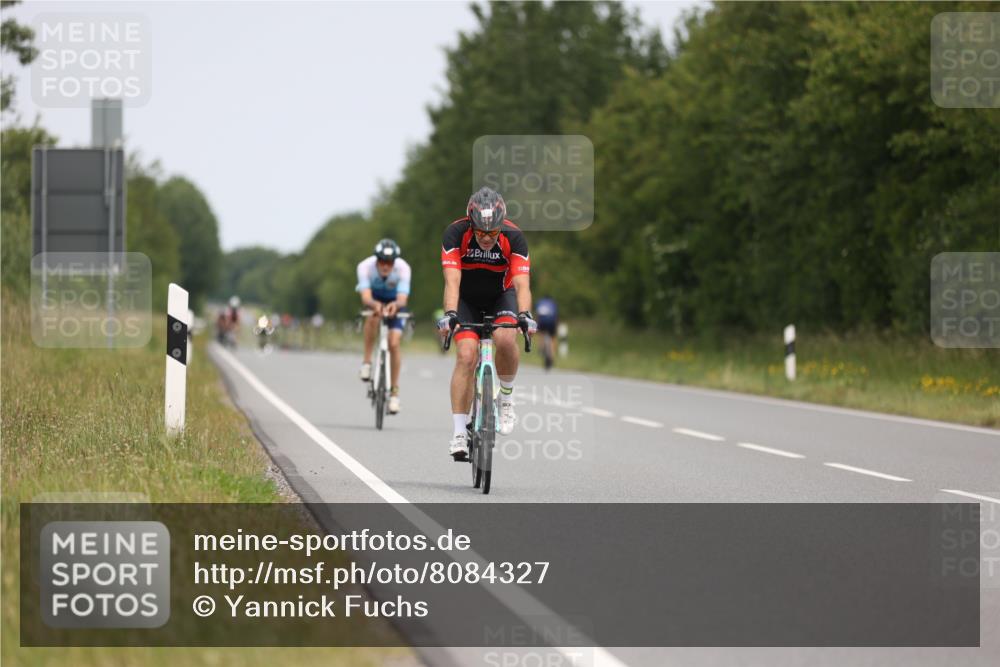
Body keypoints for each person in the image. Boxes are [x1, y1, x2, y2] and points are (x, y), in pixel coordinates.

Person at [437, 187, 537, 459]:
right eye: (480, 231)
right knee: (467, 356)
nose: (485, 238)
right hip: (466, 300)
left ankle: (505, 397)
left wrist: (525, 315)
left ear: (501, 226)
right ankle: (459, 432)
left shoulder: (514, 237)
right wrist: (450, 312)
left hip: (500, 297)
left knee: (505, 338)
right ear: (471, 223)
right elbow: (452, 281)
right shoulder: (455, 234)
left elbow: (521, 283)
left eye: (492, 233)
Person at [356, 238, 411, 414]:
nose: (385, 266)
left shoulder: (403, 268)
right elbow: (365, 297)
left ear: (394, 261)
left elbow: (402, 298)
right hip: (374, 301)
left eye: (389, 262)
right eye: (382, 261)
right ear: (376, 259)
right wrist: (375, 306)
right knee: (372, 319)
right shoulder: (365, 267)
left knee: (394, 343)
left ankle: (394, 394)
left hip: (396, 303)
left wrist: (395, 305)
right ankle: (366, 362)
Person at [535, 295, 558, 370]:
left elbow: (537, 315)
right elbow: (556, 315)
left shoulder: (540, 302)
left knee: (541, 333)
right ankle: (552, 356)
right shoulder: (553, 303)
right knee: (552, 337)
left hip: (542, 321)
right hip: (551, 322)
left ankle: (541, 348)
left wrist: (536, 324)